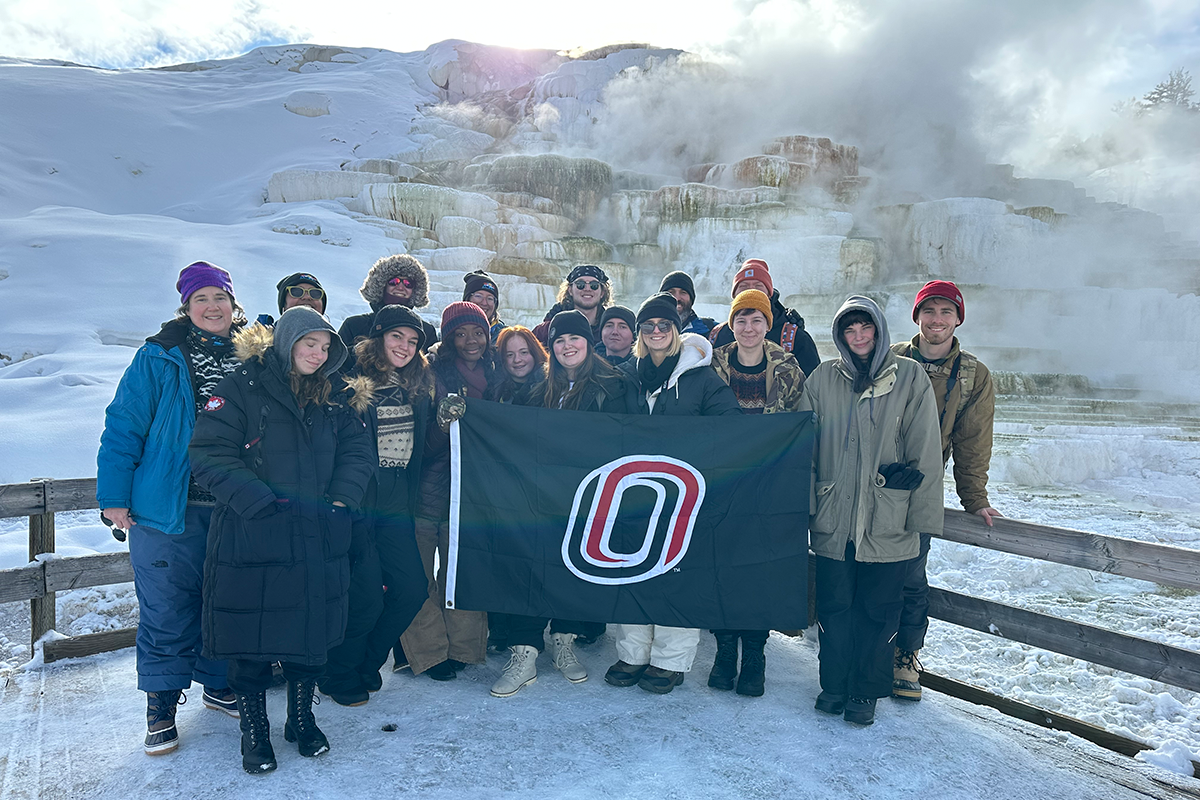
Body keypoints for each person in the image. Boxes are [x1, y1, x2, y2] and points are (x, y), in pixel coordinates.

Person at [189, 305, 373, 773]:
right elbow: (208, 454)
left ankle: (300, 719)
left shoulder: (336, 396)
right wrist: (260, 503)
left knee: (310, 636)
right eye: (309, 343)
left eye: (325, 345)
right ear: (287, 341)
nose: (318, 353)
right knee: (250, 640)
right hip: (254, 535)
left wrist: (340, 502)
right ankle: (254, 730)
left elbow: (358, 453)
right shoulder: (242, 387)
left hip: (317, 534)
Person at [97, 261, 245, 756]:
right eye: (200, 299)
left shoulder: (254, 353)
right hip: (167, 508)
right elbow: (124, 424)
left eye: (218, 297)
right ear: (186, 306)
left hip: (232, 507)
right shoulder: (158, 357)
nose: (211, 307)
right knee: (166, 606)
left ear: (232, 301)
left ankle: (219, 684)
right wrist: (114, 497)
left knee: (225, 600)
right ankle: (160, 704)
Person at [798, 295, 943, 726]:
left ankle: (865, 691)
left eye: (866, 329)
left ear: (879, 331)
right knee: (834, 606)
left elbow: (926, 451)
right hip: (834, 515)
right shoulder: (823, 378)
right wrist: (804, 510)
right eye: (850, 330)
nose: (858, 336)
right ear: (840, 336)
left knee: (878, 611)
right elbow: (802, 448)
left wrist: (920, 520)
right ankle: (834, 685)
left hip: (888, 517)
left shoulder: (909, 377)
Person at [488, 310, 637, 698]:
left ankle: (563, 642)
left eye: (574, 338)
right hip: (541, 498)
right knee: (530, 567)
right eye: (559, 340)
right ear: (550, 347)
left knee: (575, 569)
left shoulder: (615, 385)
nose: (567, 346)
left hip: (589, 498)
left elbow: (630, 440)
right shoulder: (540, 389)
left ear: (588, 342)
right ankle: (524, 652)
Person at [605, 293, 741, 694]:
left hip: (683, 494)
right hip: (633, 492)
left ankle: (670, 661)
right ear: (640, 334)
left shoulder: (700, 377)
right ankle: (632, 654)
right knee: (632, 569)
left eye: (665, 325)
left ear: (677, 331)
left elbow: (730, 425)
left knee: (677, 574)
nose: (657, 331)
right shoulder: (628, 376)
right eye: (649, 326)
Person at [889, 280, 1000, 701]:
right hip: (874, 479)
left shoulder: (973, 375)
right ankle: (868, 648)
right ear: (917, 316)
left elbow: (973, 441)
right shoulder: (891, 356)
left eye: (945, 312)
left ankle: (905, 654)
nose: (937, 320)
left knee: (912, 573)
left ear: (957, 319)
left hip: (923, 487)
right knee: (865, 565)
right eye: (929, 311)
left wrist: (976, 499)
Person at [318, 305, 433, 707]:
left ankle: (369, 661)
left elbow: (425, 446)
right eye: (397, 337)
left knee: (413, 589)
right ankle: (339, 672)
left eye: (413, 340)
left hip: (398, 504)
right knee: (365, 597)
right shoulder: (351, 383)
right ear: (379, 337)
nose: (405, 346)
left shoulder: (416, 385)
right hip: (359, 501)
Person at [707, 289, 806, 697]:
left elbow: (802, 421)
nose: (749, 328)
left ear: (769, 324)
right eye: (741, 320)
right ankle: (725, 651)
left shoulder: (787, 366)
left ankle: (756, 655)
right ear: (732, 324)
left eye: (757, 320)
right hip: (724, 485)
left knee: (759, 570)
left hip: (769, 487)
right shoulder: (713, 365)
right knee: (722, 567)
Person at [400, 302, 497, 681]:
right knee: (420, 574)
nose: (470, 340)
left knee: (464, 573)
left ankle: (464, 648)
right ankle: (428, 652)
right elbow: (418, 446)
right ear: (447, 336)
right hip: (430, 491)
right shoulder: (428, 374)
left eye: (477, 331)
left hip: (474, 494)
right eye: (460, 333)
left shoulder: (497, 372)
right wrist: (441, 424)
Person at [710, 258, 821, 376]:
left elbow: (814, 388)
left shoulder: (795, 338)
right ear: (734, 295)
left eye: (758, 286)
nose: (751, 290)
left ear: (769, 293)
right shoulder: (718, 335)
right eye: (744, 286)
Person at [338, 254, 439, 351]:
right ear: (381, 285)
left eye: (408, 284)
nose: (400, 287)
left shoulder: (426, 332)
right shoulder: (354, 326)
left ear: (415, 290)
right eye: (394, 282)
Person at [532, 264, 611, 350]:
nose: (587, 289)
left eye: (594, 285)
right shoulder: (546, 330)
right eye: (580, 284)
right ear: (570, 290)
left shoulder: (611, 331)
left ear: (602, 293)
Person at [490, 326, 548, 406]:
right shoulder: (493, 390)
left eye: (523, 352)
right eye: (510, 355)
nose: (517, 360)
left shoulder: (551, 388)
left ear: (535, 353)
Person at [256, 272, 328, 326]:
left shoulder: (335, 344)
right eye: (296, 292)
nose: (307, 297)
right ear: (284, 306)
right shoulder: (261, 343)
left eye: (315, 293)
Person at [659, 270, 716, 338]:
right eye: (671, 292)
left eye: (683, 292)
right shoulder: (648, 331)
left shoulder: (713, 331)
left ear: (691, 299)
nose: (677, 298)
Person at [463, 269, 506, 341]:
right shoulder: (452, 331)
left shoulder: (505, 336)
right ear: (467, 299)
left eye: (490, 298)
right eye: (478, 296)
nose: (484, 303)